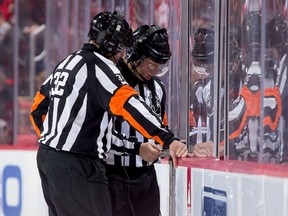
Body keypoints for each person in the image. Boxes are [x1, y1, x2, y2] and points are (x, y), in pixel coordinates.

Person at [29, 11, 188, 216]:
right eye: (121, 47)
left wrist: (56, 139)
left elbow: (37, 109)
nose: (122, 54)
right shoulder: (99, 66)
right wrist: (167, 139)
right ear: (110, 44)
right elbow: (129, 103)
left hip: (47, 160)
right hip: (78, 164)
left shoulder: (67, 62)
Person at [105, 24, 172, 216]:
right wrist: (137, 148)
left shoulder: (157, 88)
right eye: (150, 63)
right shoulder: (109, 81)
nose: (154, 70)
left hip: (146, 178)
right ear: (135, 55)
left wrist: (181, 145)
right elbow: (99, 133)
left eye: (159, 65)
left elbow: (160, 128)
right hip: (113, 175)